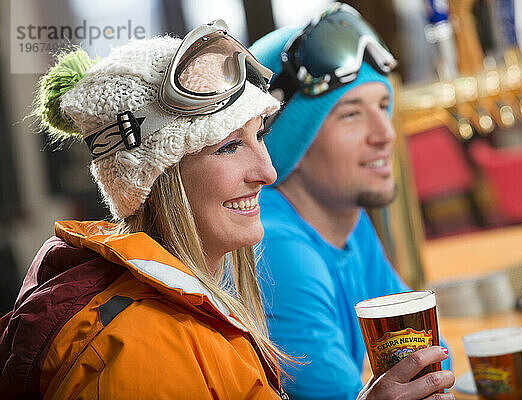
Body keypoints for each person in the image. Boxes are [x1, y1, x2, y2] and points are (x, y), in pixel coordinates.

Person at [0, 21, 454, 400]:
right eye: (229, 146)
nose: (267, 171)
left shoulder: (194, 311)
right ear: (160, 179)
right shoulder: (141, 349)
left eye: (259, 136)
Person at [249, 4, 452, 399]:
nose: (384, 133)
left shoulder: (348, 221)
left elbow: (431, 364)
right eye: (351, 115)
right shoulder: (273, 246)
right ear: (291, 143)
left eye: (381, 106)